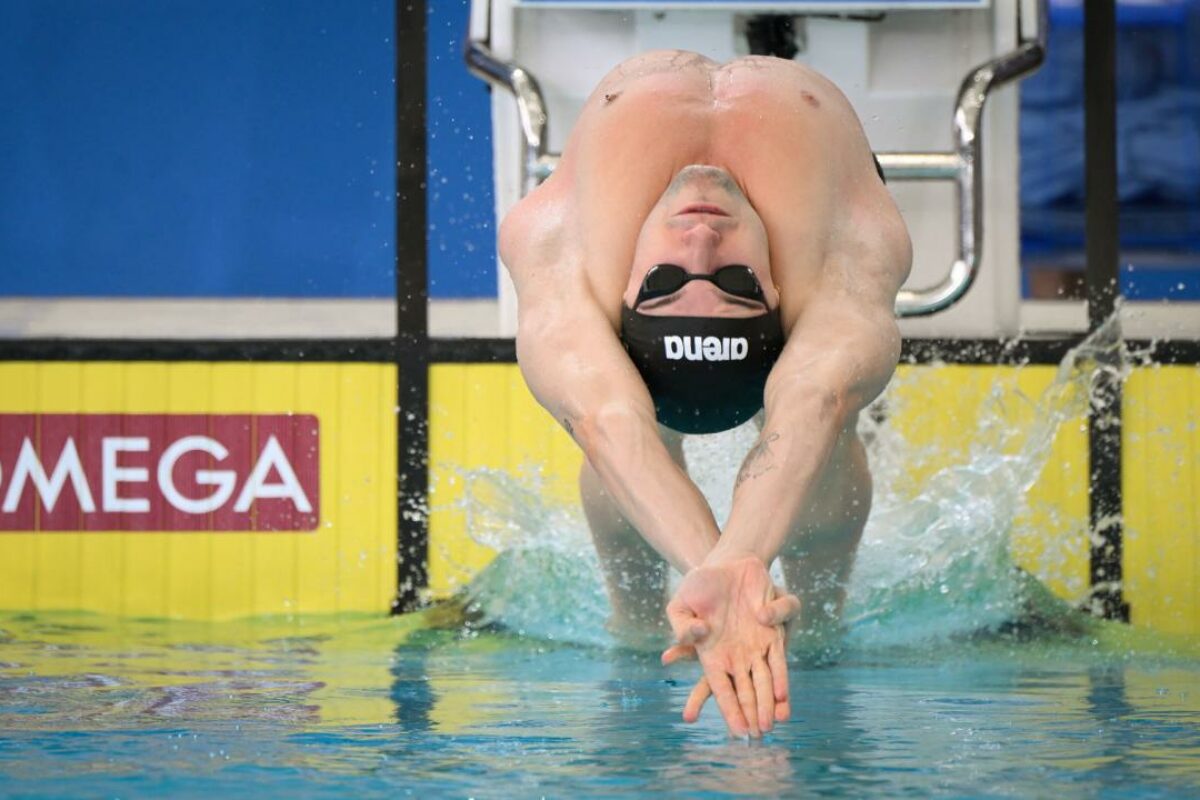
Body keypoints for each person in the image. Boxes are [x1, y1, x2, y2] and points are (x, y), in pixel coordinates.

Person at [498, 50, 912, 738]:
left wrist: (721, 576)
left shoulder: (561, 260)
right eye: (733, 281)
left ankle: (811, 626)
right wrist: (734, 579)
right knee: (814, 432)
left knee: (647, 415)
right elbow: (812, 399)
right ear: (777, 299)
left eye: (665, 280)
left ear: (629, 293)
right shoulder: (847, 263)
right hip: (821, 200)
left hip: (636, 329)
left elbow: (606, 418)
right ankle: (644, 624)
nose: (700, 239)